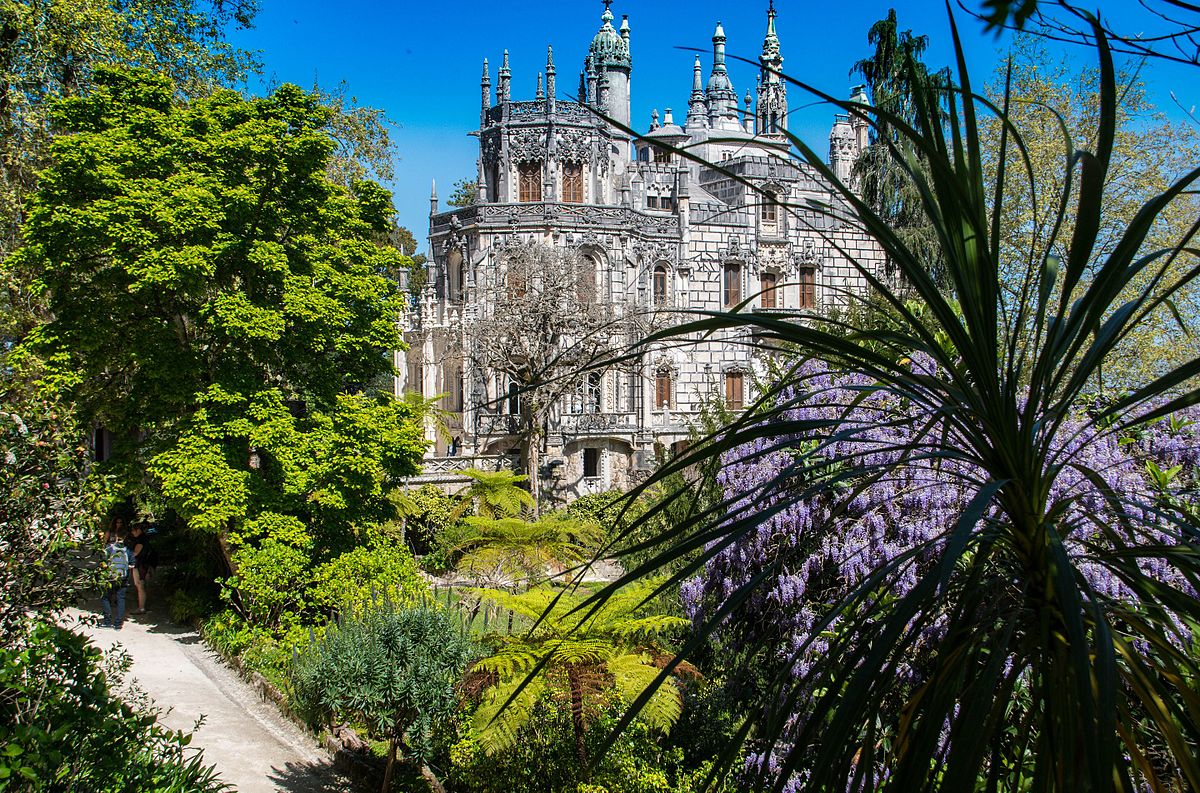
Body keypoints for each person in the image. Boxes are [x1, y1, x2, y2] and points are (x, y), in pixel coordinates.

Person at [101, 526, 132, 629]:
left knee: (106, 597)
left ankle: (107, 621)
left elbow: (103, 562)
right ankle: (118, 623)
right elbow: (132, 564)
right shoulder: (128, 550)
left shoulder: (109, 548)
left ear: (116, 536)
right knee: (121, 599)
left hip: (110, 576)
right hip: (123, 577)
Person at [126, 522, 153, 614]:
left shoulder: (140, 540)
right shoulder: (144, 539)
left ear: (138, 530)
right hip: (144, 564)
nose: (132, 532)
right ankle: (142, 606)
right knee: (141, 585)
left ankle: (141, 608)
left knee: (140, 585)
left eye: (134, 530)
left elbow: (135, 553)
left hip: (140, 565)